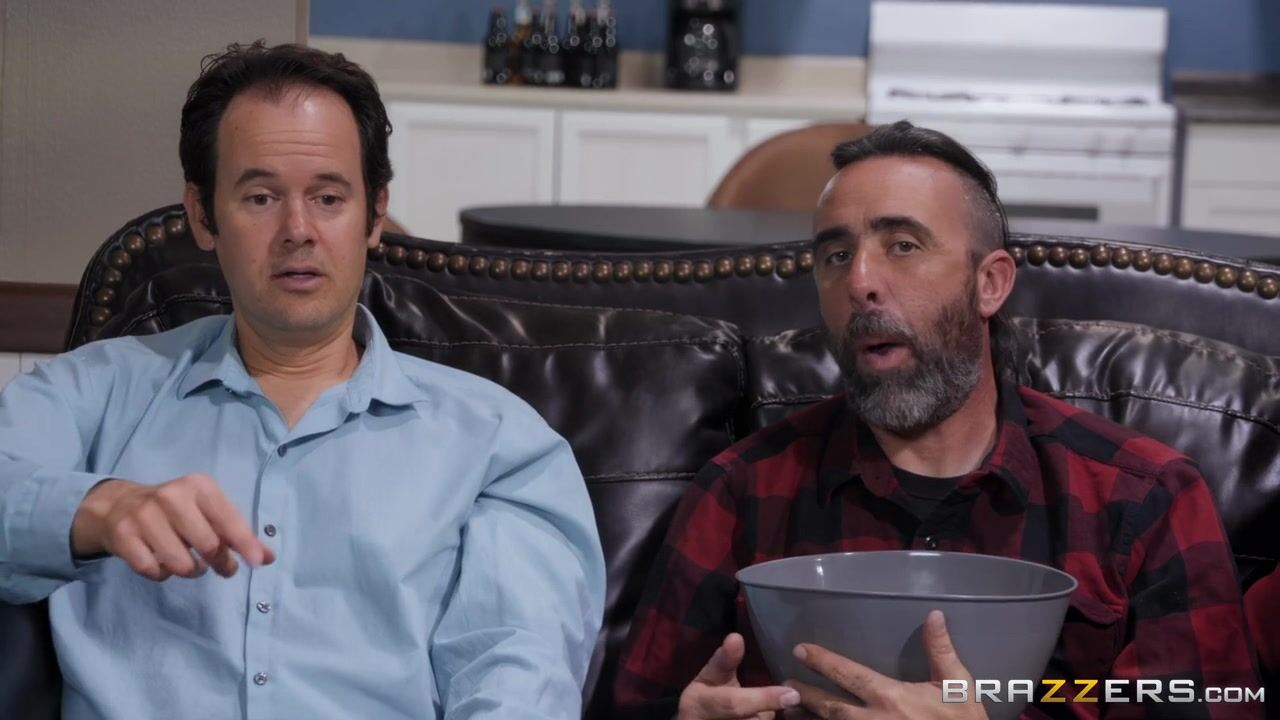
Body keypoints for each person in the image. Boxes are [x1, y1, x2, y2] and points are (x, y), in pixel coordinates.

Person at [0, 42, 604, 719]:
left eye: (328, 197)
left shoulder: (496, 442)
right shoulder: (98, 391)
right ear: (202, 215)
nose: (298, 230)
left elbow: (518, 673)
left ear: (375, 213)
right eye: (260, 197)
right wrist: (96, 509)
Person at [614, 121, 1262, 719]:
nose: (860, 281)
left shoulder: (1146, 501)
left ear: (990, 284)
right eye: (835, 255)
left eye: (902, 245)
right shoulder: (738, 493)